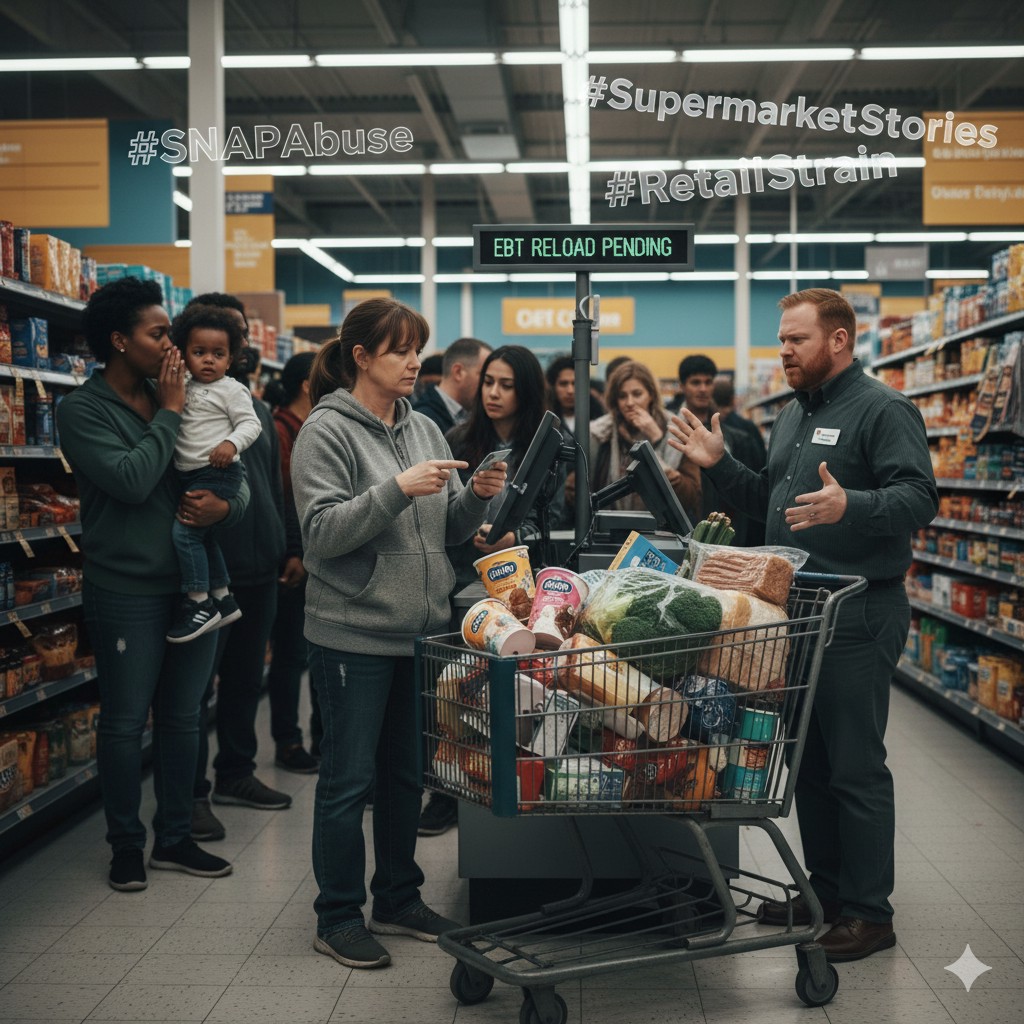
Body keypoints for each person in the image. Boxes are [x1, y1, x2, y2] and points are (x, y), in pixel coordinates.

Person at [668, 288, 938, 963]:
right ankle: (827, 893)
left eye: (796, 340)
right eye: (782, 339)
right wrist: (718, 465)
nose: (783, 351)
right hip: (801, 616)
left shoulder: (882, 409)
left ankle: (871, 913)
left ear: (839, 341)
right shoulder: (791, 415)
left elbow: (919, 497)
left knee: (854, 766)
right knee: (810, 766)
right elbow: (771, 506)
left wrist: (856, 503)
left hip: (859, 610)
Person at [290, 297, 507, 970]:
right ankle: (336, 916)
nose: (416, 361)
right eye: (400, 350)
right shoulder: (324, 432)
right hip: (351, 634)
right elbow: (321, 533)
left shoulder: (423, 431)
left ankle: (398, 896)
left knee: (405, 777)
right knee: (347, 781)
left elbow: (444, 532)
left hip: (420, 630)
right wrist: (395, 490)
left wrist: (475, 495)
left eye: (418, 348)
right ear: (361, 357)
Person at [56, 277, 248, 891]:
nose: (174, 343)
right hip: (126, 588)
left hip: (189, 588)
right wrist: (167, 412)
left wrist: (228, 509)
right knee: (123, 720)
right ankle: (125, 844)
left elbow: (230, 479)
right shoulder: (82, 410)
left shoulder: (186, 390)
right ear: (119, 340)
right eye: (159, 332)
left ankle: (174, 838)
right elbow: (135, 480)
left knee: (184, 716)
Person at [417, 346, 556, 837]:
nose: (494, 393)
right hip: (464, 588)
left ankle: (516, 778)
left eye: (506, 384)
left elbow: (562, 520)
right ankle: (447, 788)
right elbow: (438, 518)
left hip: (525, 594)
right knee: (457, 693)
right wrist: (468, 528)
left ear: (527, 390)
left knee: (518, 696)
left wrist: (520, 537)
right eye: (489, 382)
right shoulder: (458, 438)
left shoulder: (550, 447)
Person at [188, 297, 293, 839]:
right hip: (213, 567)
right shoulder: (187, 407)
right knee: (197, 688)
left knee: (245, 682)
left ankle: (236, 773)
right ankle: (191, 794)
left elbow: (275, 485)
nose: (239, 350)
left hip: (261, 567)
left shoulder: (251, 407)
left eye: (237, 341)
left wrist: (287, 545)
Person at [165, 304, 262, 643]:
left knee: (186, 534)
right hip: (190, 472)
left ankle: (198, 602)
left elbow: (251, 424)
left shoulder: (231, 389)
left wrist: (231, 444)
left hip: (217, 471)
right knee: (204, 537)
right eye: (199, 352)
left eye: (218, 354)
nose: (209, 360)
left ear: (231, 357)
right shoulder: (183, 385)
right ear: (184, 354)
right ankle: (223, 596)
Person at [263, 351, 322, 772]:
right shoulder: (282, 429)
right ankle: (288, 742)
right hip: (291, 559)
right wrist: (294, 551)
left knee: (305, 656)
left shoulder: (310, 427)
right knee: (290, 655)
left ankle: (320, 739)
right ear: (308, 384)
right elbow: (287, 498)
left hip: (310, 557)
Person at [580, 359, 701, 524]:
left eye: (637, 394)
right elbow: (580, 492)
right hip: (611, 530)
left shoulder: (677, 430)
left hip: (663, 532)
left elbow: (689, 497)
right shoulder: (599, 433)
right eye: (622, 396)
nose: (630, 403)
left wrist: (657, 439)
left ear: (650, 395)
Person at [711, 372, 769, 545]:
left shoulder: (711, 428)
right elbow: (763, 466)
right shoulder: (748, 429)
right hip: (750, 514)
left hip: (719, 513)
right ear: (733, 399)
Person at [412, 337, 491, 434]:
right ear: (458, 372)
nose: (491, 389)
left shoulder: (473, 417)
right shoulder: (421, 422)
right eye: (485, 377)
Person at [545, 353, 605, 442]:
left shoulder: (599, 418)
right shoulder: (545, 421)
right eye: (563, 384)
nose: (570, 391)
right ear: (553, 386)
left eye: (575, 383)